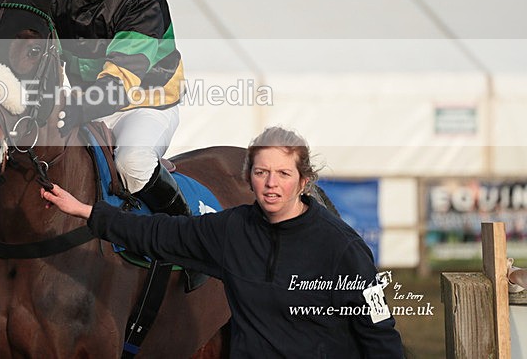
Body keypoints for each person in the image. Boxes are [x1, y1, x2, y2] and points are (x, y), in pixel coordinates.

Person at [41, 126, 405, 358]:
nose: (271, 183)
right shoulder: (232, 230)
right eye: (261, 172)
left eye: (283, 174)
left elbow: (378, 333)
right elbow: (156, 234)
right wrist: (88, 211)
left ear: (304, 181)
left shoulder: (342, 249)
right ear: (249, 178)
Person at [52, 0, 190, 217]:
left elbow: (118, 83)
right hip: (88, 106)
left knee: (133, 164)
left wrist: (75, 108)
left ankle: (186, 239)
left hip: (145, 105)